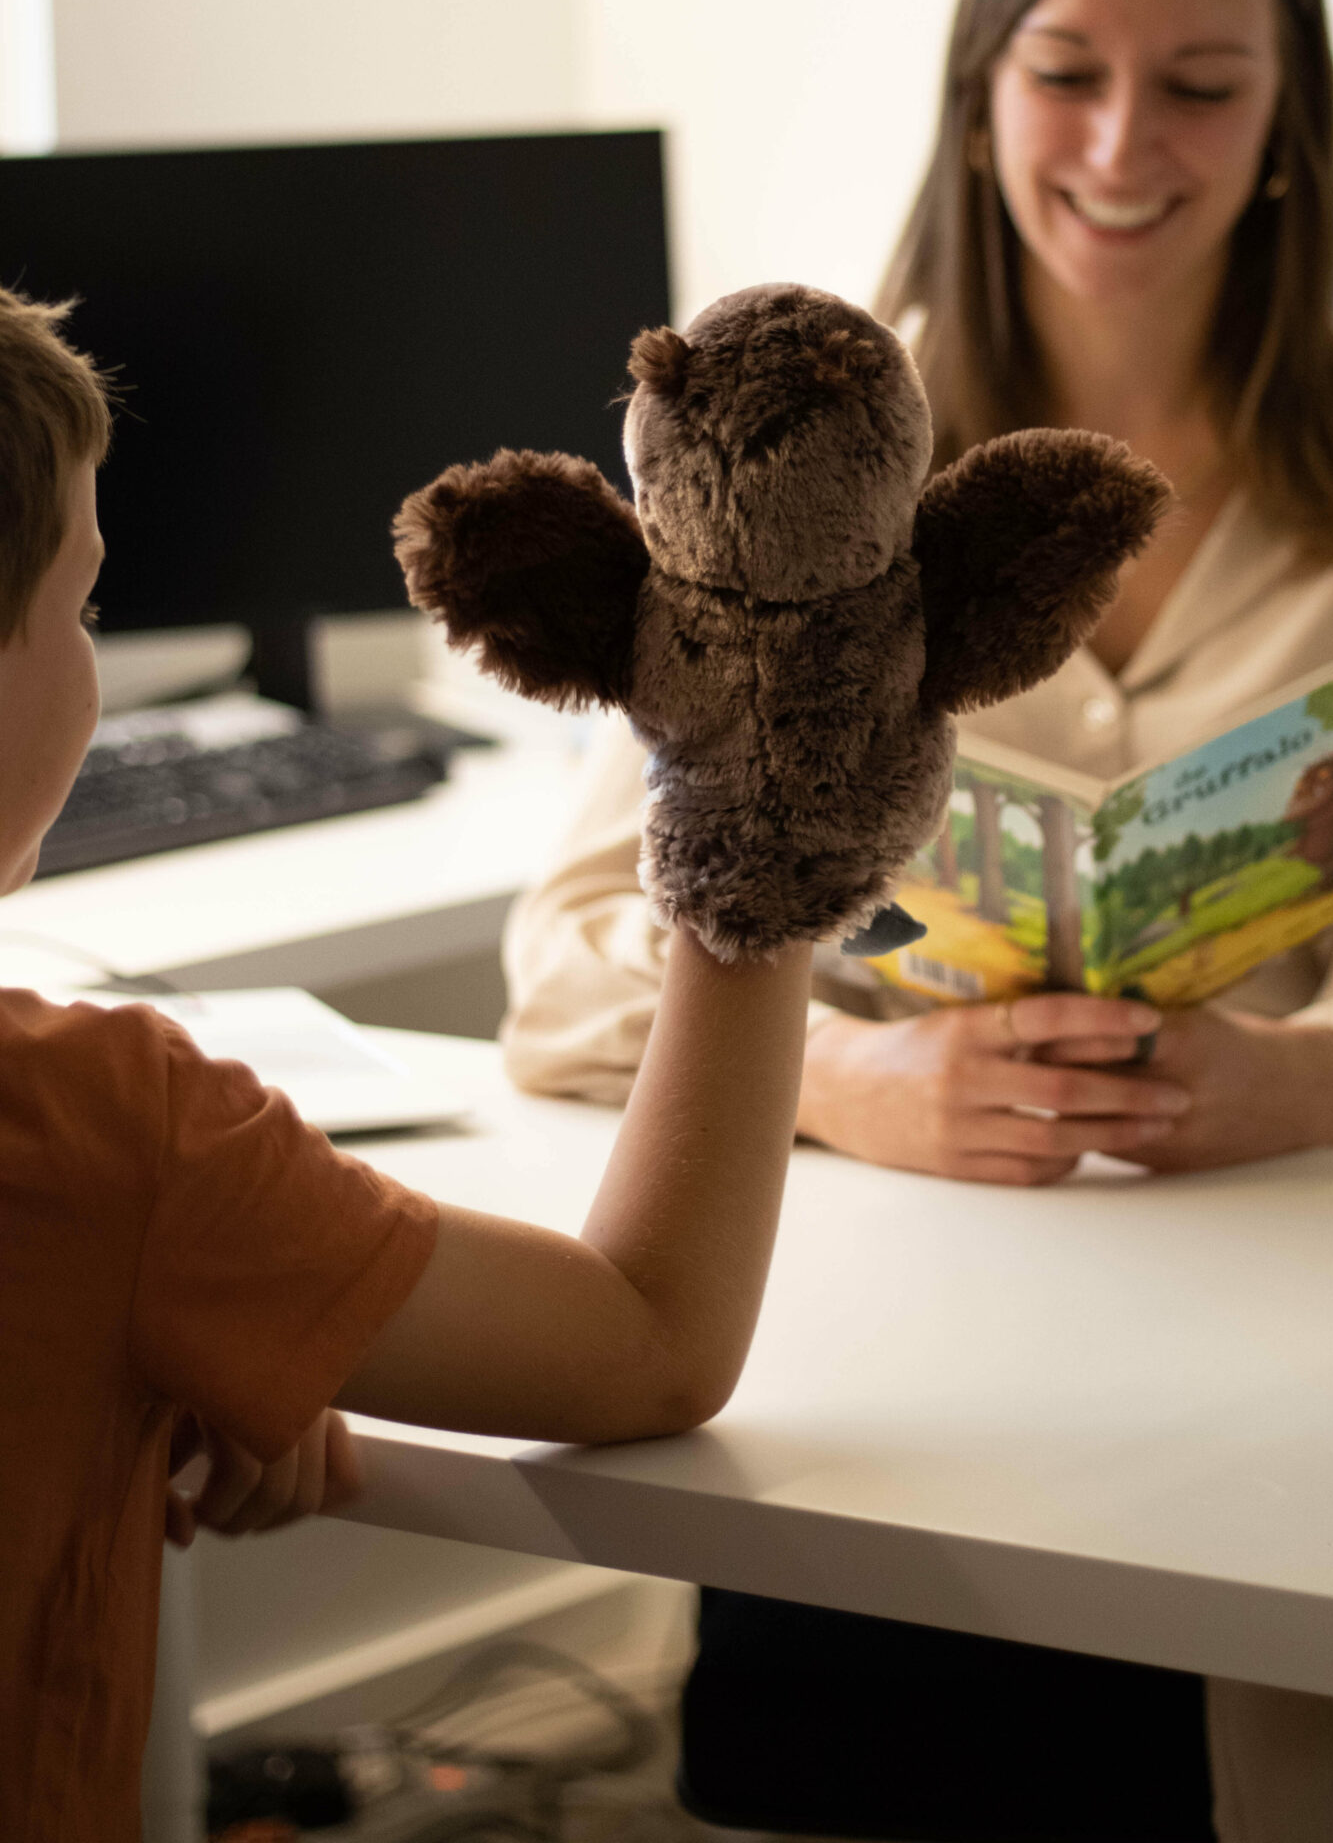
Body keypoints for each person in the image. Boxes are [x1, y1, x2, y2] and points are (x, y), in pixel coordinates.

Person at [500, 0, 1333, 1843]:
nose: (1125, 148)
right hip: (897, 1350)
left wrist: (1296, 1078)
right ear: (977, 94)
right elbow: (571, 966)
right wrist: (855, 1083)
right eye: (1068, 72)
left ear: (1288, 113)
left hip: (1303, 1379)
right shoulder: (788, 462)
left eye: (1199, 84)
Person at [0, 286, 816, 1843]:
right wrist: (761, 825)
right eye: (84, 608)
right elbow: (651, 1343)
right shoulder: (103, 1131)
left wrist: (177, 1343)